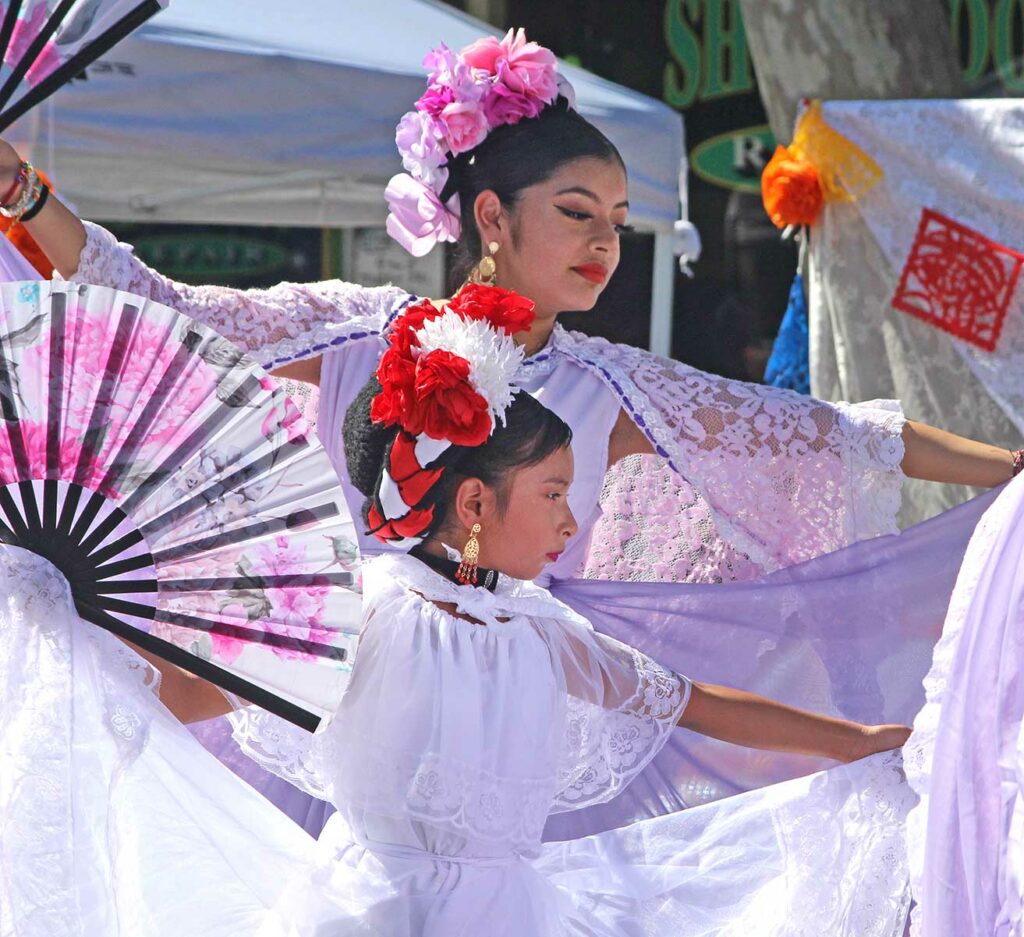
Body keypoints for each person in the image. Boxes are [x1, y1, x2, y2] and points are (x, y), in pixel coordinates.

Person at [0, 28, 1019, 829]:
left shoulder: (612, 388)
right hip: (325, 717)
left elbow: (824, 433)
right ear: (491, 217)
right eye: (577, 212)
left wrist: (1009, 469)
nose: (603, 244)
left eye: (619, 222)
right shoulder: (357, 335)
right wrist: (27, 195)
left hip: (503, 732)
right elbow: (163, 305)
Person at [0, 288, 917, 936]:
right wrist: (71, 655)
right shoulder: (373, 609)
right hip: (370, 914)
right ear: (475, 506)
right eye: (554, 494)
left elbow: (695, 703)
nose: (571, 518)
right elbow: (203, 691)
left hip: (512, 913)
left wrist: (859, 739)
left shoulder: (542, 629)